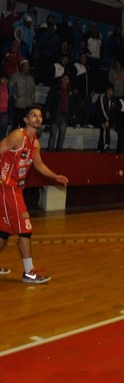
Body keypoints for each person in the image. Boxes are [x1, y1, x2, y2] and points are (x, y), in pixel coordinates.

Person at [0, 106, 68, 281]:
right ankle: (29, 272)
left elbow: (38, 164)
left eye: (39, 115)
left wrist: (55, 176)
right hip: (6, 187)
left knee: (5, 229)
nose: (38, 118)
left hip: (15, 189)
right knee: (25, 228)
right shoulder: (17, 136)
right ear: (25, 120)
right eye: (33, 115)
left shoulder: (35, 142)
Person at [44, 73, 74, 152]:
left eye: (67, 79)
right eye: (64, 78)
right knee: (53, 133)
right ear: (61, 79)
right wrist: (47, 111)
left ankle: (59, 150)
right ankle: (50, 150)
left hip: (65, 115)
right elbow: (49, 99)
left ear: (69, 80)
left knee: (62, 134)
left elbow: (71, 103)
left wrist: (72, 114)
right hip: (55, 113)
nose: (65, 80)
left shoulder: (70, 90)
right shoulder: (56, 87)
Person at [8, 58, 35, 130]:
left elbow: (33, 92)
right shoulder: (15, 76)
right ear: (21, 66)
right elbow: (9, 87)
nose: (26, 68)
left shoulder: (31, 79)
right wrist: (14, 97)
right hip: (17, 106)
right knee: (15, 126)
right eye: (24, 66)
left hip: (27, 107)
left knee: (25, 128)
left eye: (27, 66)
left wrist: (32, 104)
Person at [96, 85, 117, 152]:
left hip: (108, 119)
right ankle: (106, 146)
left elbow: (112, 111)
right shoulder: (102, 97)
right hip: (100, 117)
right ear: (106, 90)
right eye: (109, 90)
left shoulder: (113, 98)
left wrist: (110, 121)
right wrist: (105, 120)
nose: (110, 92)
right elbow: (101, 109)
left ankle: (100, 148)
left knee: (105, 128)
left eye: (111, 90)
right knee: (105, 128)